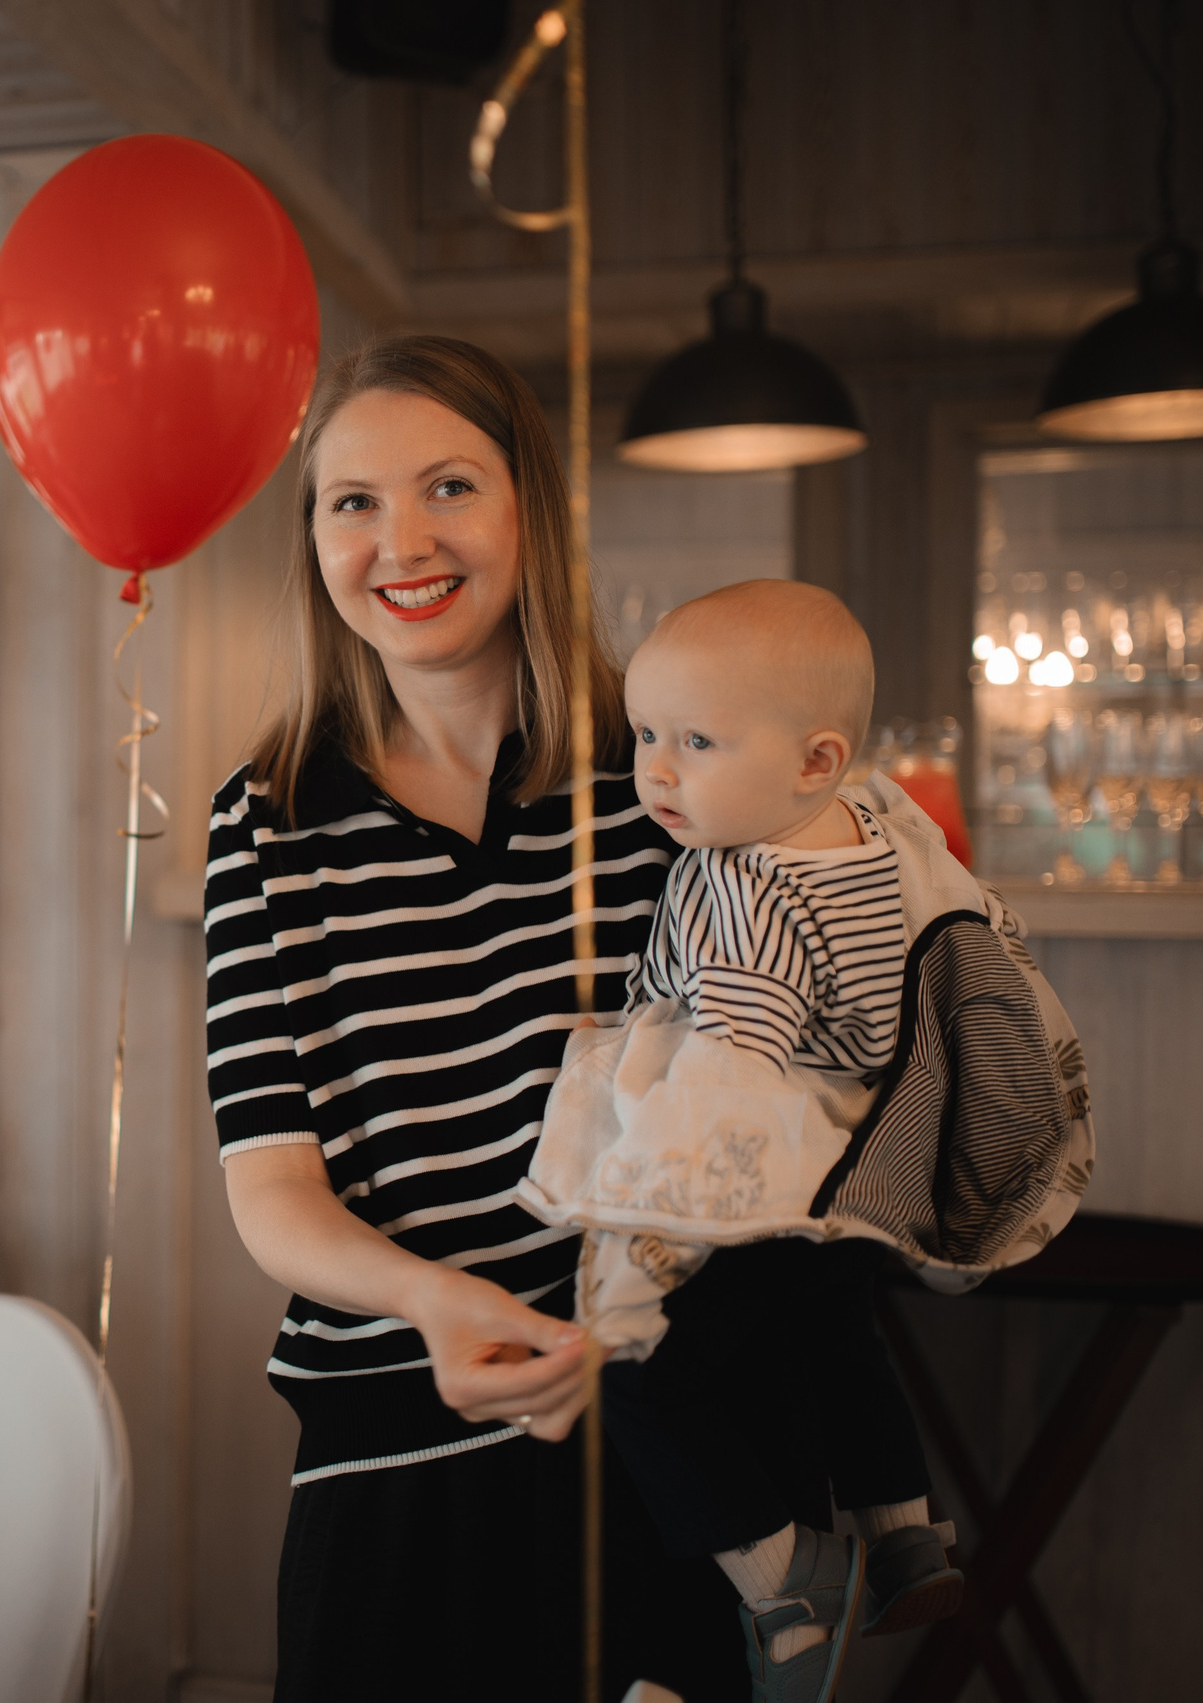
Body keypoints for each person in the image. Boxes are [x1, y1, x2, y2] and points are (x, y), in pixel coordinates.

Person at [206, 337, 831, 1702]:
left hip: (647, 1454)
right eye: (351, 500)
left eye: (447, 486)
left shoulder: (661, 780)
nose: (400, 540)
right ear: (312, 532)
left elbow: (777, 1085)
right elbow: (271, 1187)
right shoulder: (265, 818)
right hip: (385, 1458)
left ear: (526, 510)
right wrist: (436, 1299)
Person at [523, 582, 959, 1701]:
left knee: (639, 1375)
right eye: (646, 735)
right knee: (836, 1338)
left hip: (760, 1193)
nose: (655, 771)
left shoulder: (750, 883)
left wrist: (639, 1250)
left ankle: (785, 1576)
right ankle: (907, 1533)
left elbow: (728, 1076)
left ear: (815, 758)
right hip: (856, 1179)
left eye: (697, 741)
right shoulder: (878, 837)